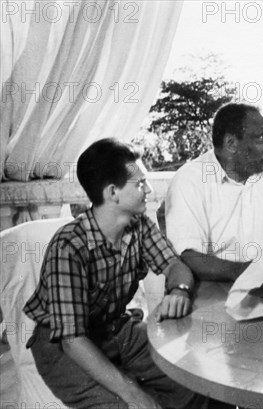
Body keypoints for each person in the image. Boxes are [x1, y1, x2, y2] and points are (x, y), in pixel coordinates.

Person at [23, 138, 220, 409]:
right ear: (113, 192)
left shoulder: (138, 225)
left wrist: (180, 290)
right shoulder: (69, 246)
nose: (149, 189)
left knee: (196, 377)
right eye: (140, 183)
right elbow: (72, 340)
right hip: (64, 346)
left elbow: (175, 266)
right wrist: (131, 391)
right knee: (127, 404)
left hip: (114, 329)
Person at [166, 102, 263, 281]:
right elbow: (189, 255)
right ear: (231, 143)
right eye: (261, 137)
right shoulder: (189, 179)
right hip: (210, 286)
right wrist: (252, 273)